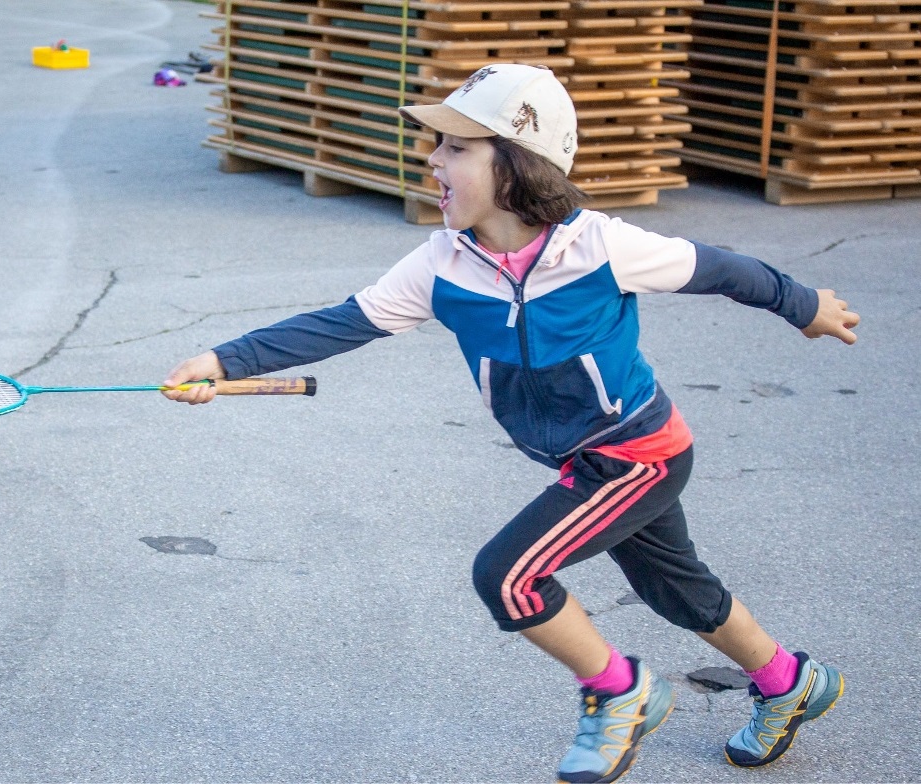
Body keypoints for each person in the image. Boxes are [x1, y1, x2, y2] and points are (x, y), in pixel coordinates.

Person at [162, 64, 858, 783]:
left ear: (518, 163)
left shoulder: (600, 248)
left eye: (457, 147)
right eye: (437, 145)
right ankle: (791, 683)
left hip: (636, 454)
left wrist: (805, 306)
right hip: (588, 461)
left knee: (509, 577)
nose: (433, 160)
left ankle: (620, 692)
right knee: (679, 590)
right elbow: (340, 323)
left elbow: (725, 271)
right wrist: (224, 360)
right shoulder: (443, 265)